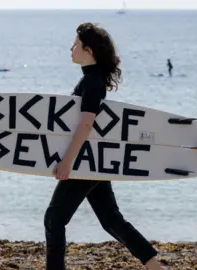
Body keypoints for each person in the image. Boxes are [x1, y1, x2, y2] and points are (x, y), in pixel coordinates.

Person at [43, 22, 171, 270]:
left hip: (84, 160)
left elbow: (86, 124)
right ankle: (155, 265)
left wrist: (67, 161)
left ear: (88, 50)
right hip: (94, 160)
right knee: (111, 219)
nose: (71, 49)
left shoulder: (92, 82)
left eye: (76, 45)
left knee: (54, 218)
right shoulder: (92, 79)